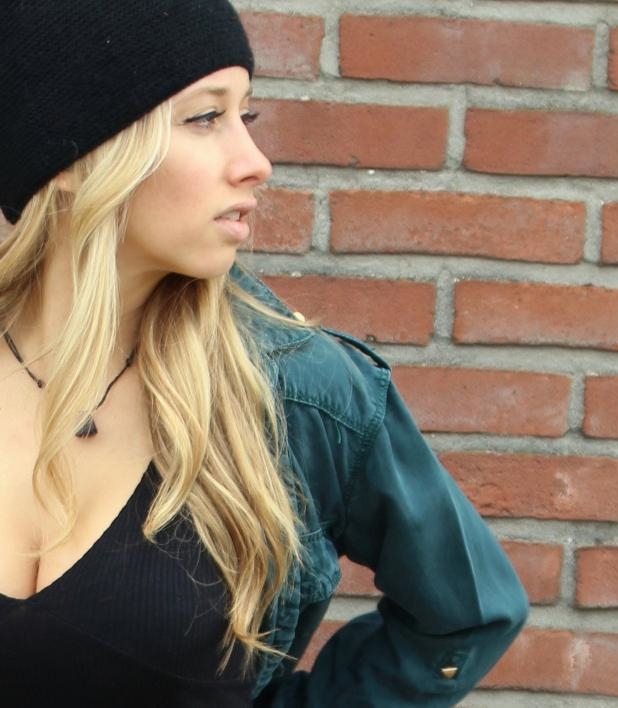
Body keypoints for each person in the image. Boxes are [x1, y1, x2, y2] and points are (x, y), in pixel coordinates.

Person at [0, 2, 528, 706]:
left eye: (244, 116)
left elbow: (466, 613)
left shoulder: (295, 392)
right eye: (204, 117)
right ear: (67, 155)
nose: (255, 163)